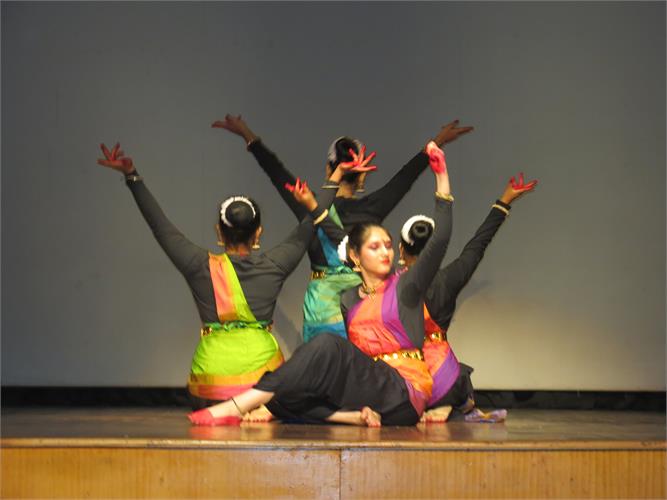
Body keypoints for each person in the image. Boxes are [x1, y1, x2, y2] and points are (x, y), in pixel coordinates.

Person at [188, 141, 453, 427]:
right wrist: (320, 197)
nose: (385, 252)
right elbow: (333, 232)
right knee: (286, 394)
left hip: (404, 394)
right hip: (370, 391)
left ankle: (237, 405)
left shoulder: (407, 286)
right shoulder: (350, 299)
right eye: (375, 247)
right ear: (354, 256)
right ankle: (350, 417)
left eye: (388, 245)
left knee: (326, 345)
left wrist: (441, 178)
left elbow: (439, 241)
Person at [96, 142, 369, 409]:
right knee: (285, 394)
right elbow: (311, 222)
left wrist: (132, 176)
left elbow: (161, 227)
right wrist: (336, 177)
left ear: (219, 231)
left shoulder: (199, 265)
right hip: (262, 389)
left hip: (211, 388)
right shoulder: (275, 264)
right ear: (258, 233)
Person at [212, 115, 473, 342]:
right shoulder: (373, 208)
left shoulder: (309, 204)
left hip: (322, 307)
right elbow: (405, 178)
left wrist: (247, 134)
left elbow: (276, 172)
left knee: (323, 369)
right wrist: (436, 142)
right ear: (362, 176)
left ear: (329, 169)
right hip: (362, 302)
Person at [398, 173, 538, 422]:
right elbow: (477, 245)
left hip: (406, 376)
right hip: (444, 377)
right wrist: (504, 201)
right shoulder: (449, 279)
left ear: (401, 249)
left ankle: (431, 406)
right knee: (456, 379)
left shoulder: (391, 285)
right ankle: (451, 404)